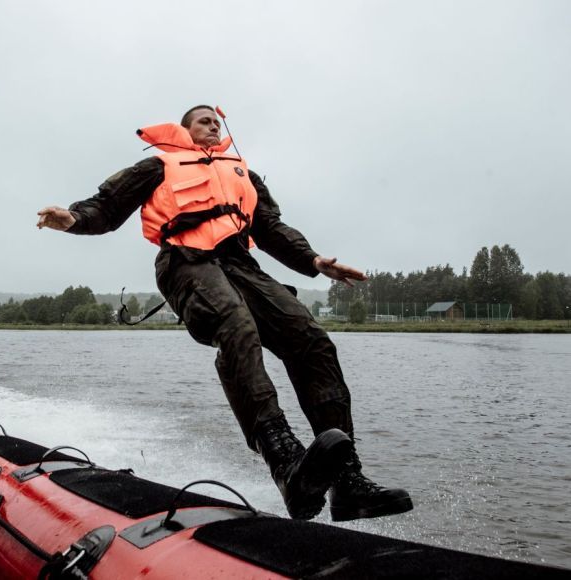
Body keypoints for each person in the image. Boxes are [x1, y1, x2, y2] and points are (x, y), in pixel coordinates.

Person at [36, 105, 412, 522]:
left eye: (216, 122)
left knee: (311, 339)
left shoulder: (243, 174)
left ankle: (347, 482)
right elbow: (108, 205)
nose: (213, 126)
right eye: (204, 121)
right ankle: (285, 462)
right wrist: (73, 218)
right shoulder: (158, 166)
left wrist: (314, 260)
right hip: (185, 262)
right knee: (236, 326)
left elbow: (271, 229)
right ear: (185, 131)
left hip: (240, 264)